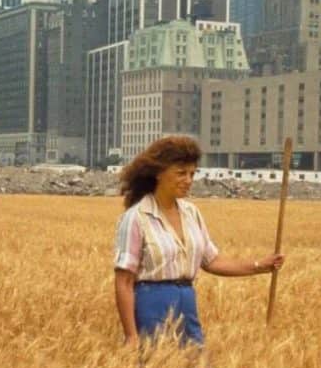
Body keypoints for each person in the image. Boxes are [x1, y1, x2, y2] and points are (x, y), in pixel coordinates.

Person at [113, 136, 285, 347]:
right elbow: (124, 281)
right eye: (181, 173)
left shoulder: (191, 213)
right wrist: (131, 335)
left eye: (192, 174)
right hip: (151, 303)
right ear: (158, 173)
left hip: (187, 303)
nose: (188, 180)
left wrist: (261, 266)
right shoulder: (136, 217)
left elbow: (212, 261)